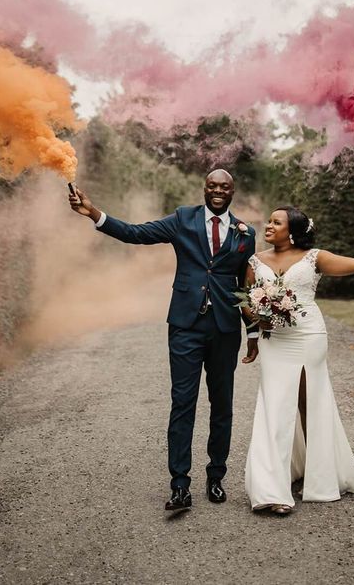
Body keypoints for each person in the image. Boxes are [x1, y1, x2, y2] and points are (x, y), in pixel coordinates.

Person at [68, 170, 257, 511]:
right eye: (212, 185)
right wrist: (95, 214)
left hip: (226, 330)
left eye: (224, 186)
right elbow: (135, 233)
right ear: (204, 188)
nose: (217, 190)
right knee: (182, 403)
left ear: (233, 191)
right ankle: (180, 485)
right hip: (186, 326)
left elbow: (246, 287)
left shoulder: (247, 234)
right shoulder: (183, 219)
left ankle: (216, 476)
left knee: (222, 405)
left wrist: (254, 332)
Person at [241, 205, 354, 515]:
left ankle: (318, 472)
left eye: (276, 222)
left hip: (308, 336)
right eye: (269, 221)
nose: (268, 226)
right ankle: (270, 490)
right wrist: (255, 326)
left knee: (309, 403)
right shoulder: (255, 261)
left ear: (291, 230)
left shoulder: (314, 257)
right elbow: (246, 301)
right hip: (275, 341)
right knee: (274, 406)